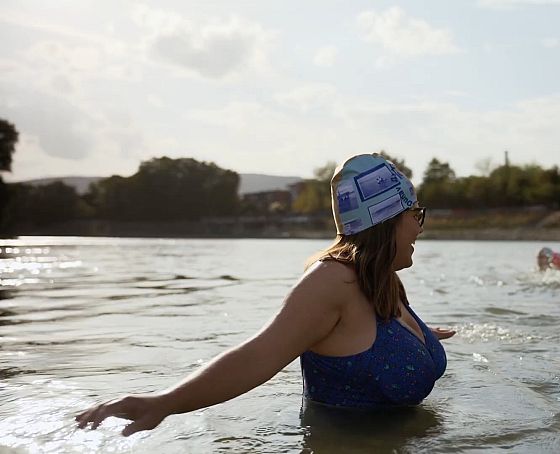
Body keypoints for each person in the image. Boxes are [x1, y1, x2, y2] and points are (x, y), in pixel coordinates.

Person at [76, 153, 456, 436]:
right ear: (388, 219)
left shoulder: (384, 281)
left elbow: (364, 340)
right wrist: (166, 401)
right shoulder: (331, 282)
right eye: (415, 215)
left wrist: (416, 335)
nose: (420, 228)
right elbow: (258, 355)